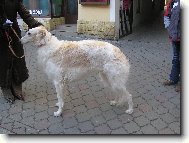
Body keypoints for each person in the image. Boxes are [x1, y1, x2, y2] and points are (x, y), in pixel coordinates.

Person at [0, 0, 42, 103]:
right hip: (1, 35)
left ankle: (17, 85)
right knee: (4, 63)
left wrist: (35, 24)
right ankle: (6, 88)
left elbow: (24, 13)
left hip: (14, 32)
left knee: (18, 60)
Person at [163, 0, 181, 92]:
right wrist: (170, 30)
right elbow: (166, 16)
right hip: (175, 37)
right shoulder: (173, 2)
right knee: (175, 58)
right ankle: (173, 79)